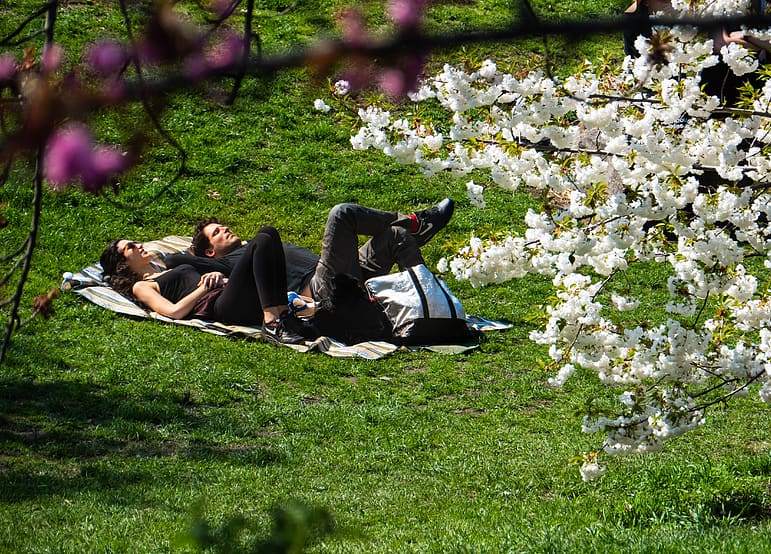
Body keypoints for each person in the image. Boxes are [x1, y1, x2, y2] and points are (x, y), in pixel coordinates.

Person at [164, 199, 455, 342]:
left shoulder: (259, 244)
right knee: (341, 214)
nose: (225, 228)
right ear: (209, 251)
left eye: (222, 226)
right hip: (320, 287)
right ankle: (416, 224)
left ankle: (429, 306)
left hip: (344, 271)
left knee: (394, 237)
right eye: (217, 232)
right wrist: (191, 254)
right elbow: (173, 260)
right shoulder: (226, 262)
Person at [99, 226, 315, 345]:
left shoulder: (163, 270)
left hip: (227, 293)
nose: (138, 245)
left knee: (269, 235)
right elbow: (174, 312)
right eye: (130, 247)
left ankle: (284, 315)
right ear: (122, 264)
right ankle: (272, 322)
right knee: (261, 240)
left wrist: (215, 275)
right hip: (220, 306)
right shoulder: (142, 286)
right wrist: (204, 288)